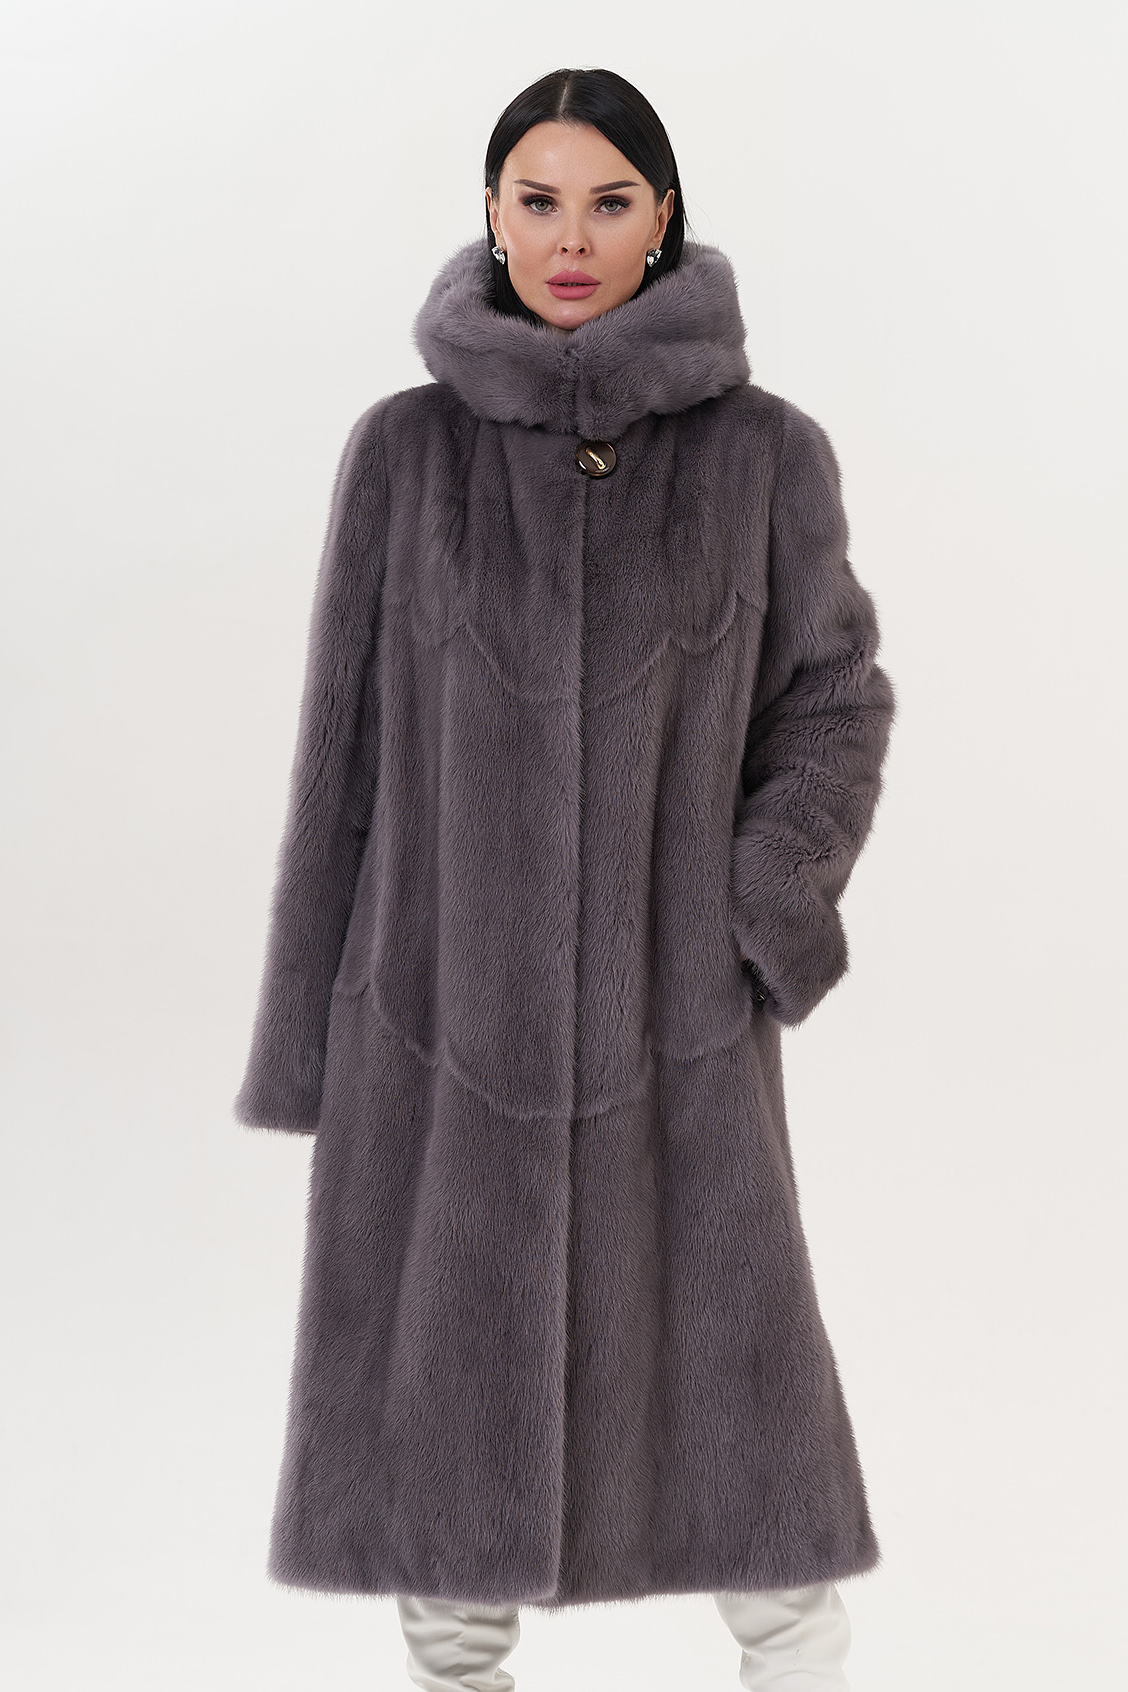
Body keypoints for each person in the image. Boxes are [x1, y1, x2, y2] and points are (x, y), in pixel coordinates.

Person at [234, 66, 896, 1692]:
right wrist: (313, 1033)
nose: (572, 239)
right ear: (492, 214)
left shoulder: (764, 456)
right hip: (437, 1024)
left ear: (663, 218)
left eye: (609, 203)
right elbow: (339, 761)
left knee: (760, 1468)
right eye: (538, 202)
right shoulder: (404, 457)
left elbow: (833, 701)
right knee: (439, 1490)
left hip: (679, 1031)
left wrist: (762, 903)